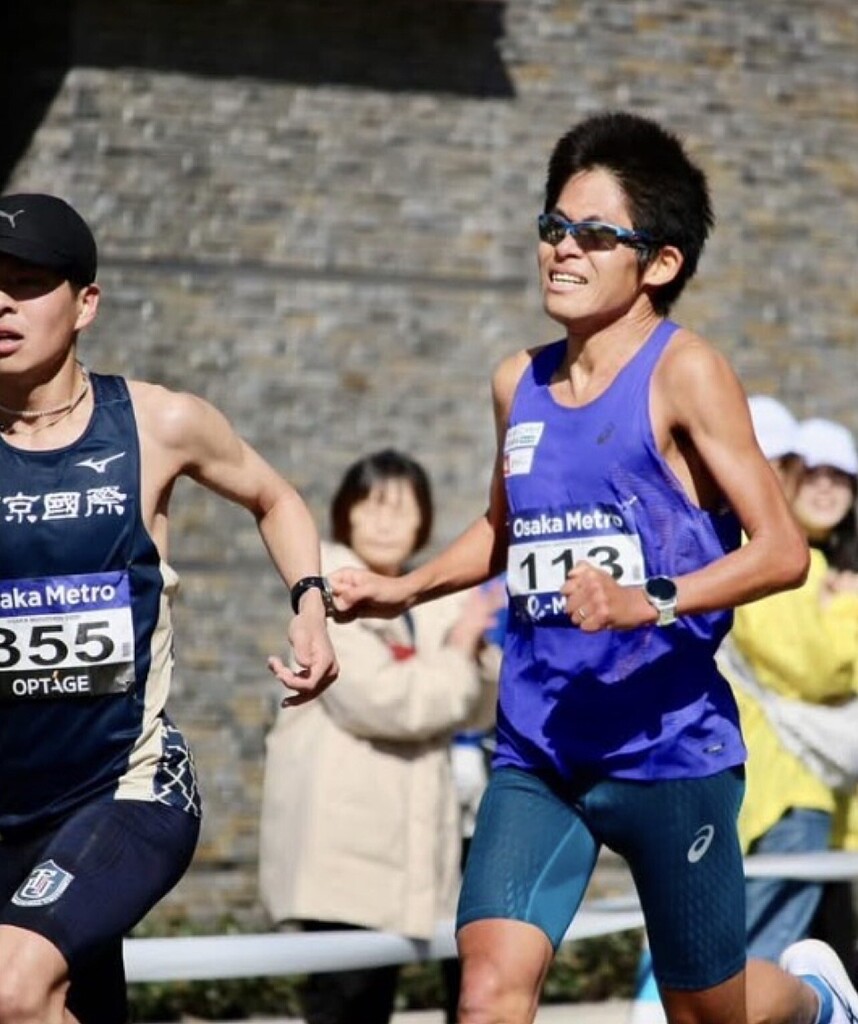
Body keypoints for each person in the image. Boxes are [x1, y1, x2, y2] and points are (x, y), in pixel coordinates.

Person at [331, 111, 858, 1024]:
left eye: (594, 234)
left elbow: (779, 549)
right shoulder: (517, 381)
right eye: (553, 227)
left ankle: (816, 1001)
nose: (562, 249)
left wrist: (647, 601)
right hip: (540, 747)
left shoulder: (686, 372)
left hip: (669, 747)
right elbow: (504, 530)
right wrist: (403, 588)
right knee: (486, 995)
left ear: (659, 263)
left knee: (708, 1012)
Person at [0, 193, 339, 1024]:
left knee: (13, 990)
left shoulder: (158, 423)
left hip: (123, 786)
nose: (2, 304)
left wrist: (310, 603)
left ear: (85, 303)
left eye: (27, 282)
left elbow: (274, 497)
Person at [258, 449, 500, 1024]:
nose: (386, 523)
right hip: (343, 851)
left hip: (415, 849)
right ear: (345, 513)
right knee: (348, 1004)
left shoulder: (431, 601)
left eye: (402, 508)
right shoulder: (322, 596)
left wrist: (471, 650)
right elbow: (392, 704)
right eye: (372, 506)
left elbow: (476, 709)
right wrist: (462, 647)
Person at [720, 408, 858, 963]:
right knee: (761, 964)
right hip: (785, 787)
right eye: (805, 471)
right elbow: (816, 667)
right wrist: (846, 611)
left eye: (838, 477)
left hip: (799, 787)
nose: (818, 487)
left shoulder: (805, 558)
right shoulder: (772, 554)